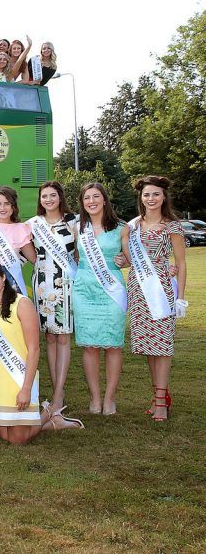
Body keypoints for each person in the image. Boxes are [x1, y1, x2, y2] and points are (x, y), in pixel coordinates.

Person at [0, 260, 81, 444]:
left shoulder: (21, 303)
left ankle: (47, 413)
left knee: (18, 440)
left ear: (3, 277)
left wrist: (26, 388)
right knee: (4, 436)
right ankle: (51, 422)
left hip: (19, 378)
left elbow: (34, 349)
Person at [123, 175, 187, 422]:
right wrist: (123, 260)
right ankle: (159, 396)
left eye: (155, 194)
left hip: (161, 289)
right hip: (139, 290)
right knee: (150, 346)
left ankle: (161, 402)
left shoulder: (173, 226)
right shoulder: (132, 226)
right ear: (141, 197)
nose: (151, 198)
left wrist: (180, 297)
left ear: (163, 197)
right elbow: (127, 258)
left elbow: (180, 264)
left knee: (162, 345)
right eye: (146, 194)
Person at [73, 182, 128, 416]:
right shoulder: (77, 227)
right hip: (84, 288)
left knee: (113, 345)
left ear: (105, 199)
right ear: (83, 203)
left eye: (96, 196)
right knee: (90, 345)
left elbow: (130, 257)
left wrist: (125, 261)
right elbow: (75, 257)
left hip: (111, 288)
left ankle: (110, 398)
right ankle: (95, 397)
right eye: (87, 198)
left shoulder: (121, 228)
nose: (92, 201)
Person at [27, 181, 78, 413]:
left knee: (64, 337)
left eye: (52, 195)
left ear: (60, 197)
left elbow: (82, 251)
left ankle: (58, 391)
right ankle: (58, 389)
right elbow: (22, 249)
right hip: (42, 285)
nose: (48, 199)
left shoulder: (73, 221)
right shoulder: (33, 224)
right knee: (49, 337)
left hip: (66, 284)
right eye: (44, 196)